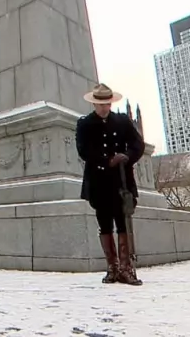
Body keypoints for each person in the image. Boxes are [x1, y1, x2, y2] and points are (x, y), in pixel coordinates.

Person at [76, 83, 145, 286]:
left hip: (121, 180)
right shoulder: (85, 124)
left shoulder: (122, 121)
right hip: (99, 181)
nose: (104, 107)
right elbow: (83, 150)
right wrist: (106, 160)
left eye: (107, 103)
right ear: (94, 104)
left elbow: (137, 144)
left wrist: (126, 156)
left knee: (123, 222)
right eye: (100, 104)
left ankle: (125, 268)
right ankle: (112, 268)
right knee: (105, 223)